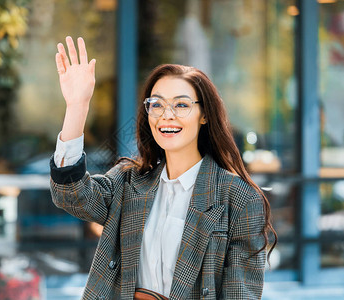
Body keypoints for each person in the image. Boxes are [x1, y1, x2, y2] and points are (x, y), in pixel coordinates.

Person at [49, 36, 277, 300]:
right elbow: (71, 195)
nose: (167, 115)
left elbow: (241, 295)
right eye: (156, 104)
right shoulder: (128, 182)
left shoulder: (240, 199)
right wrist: (77, 106)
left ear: (204, 115)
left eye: (181, 105)